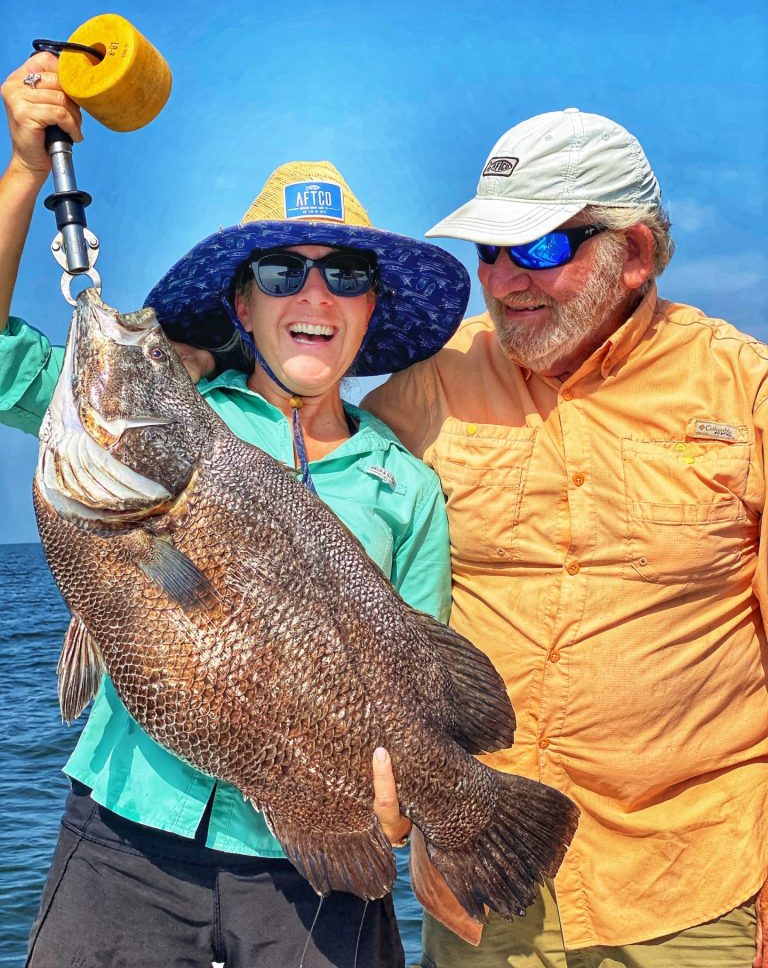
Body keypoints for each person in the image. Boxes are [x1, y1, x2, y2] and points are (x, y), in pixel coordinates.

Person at [0, 52, 470, 968]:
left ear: (372, 309)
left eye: (345, 274)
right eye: (282, 270)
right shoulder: (168, 411)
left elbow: (423, 677)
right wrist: (24, 171)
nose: (315, 293)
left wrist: (417, 800)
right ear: (243, 302)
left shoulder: (403, 485)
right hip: (125, 834)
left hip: (316, 862)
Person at [364, 107, 768, 968]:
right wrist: (197, 350)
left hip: (689, 888)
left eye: (542, 247)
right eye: (490, 252)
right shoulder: (423, 390)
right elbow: (308, 516)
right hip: (474, 889)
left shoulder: (748, 393)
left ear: (636, 255)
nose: (508, 279)